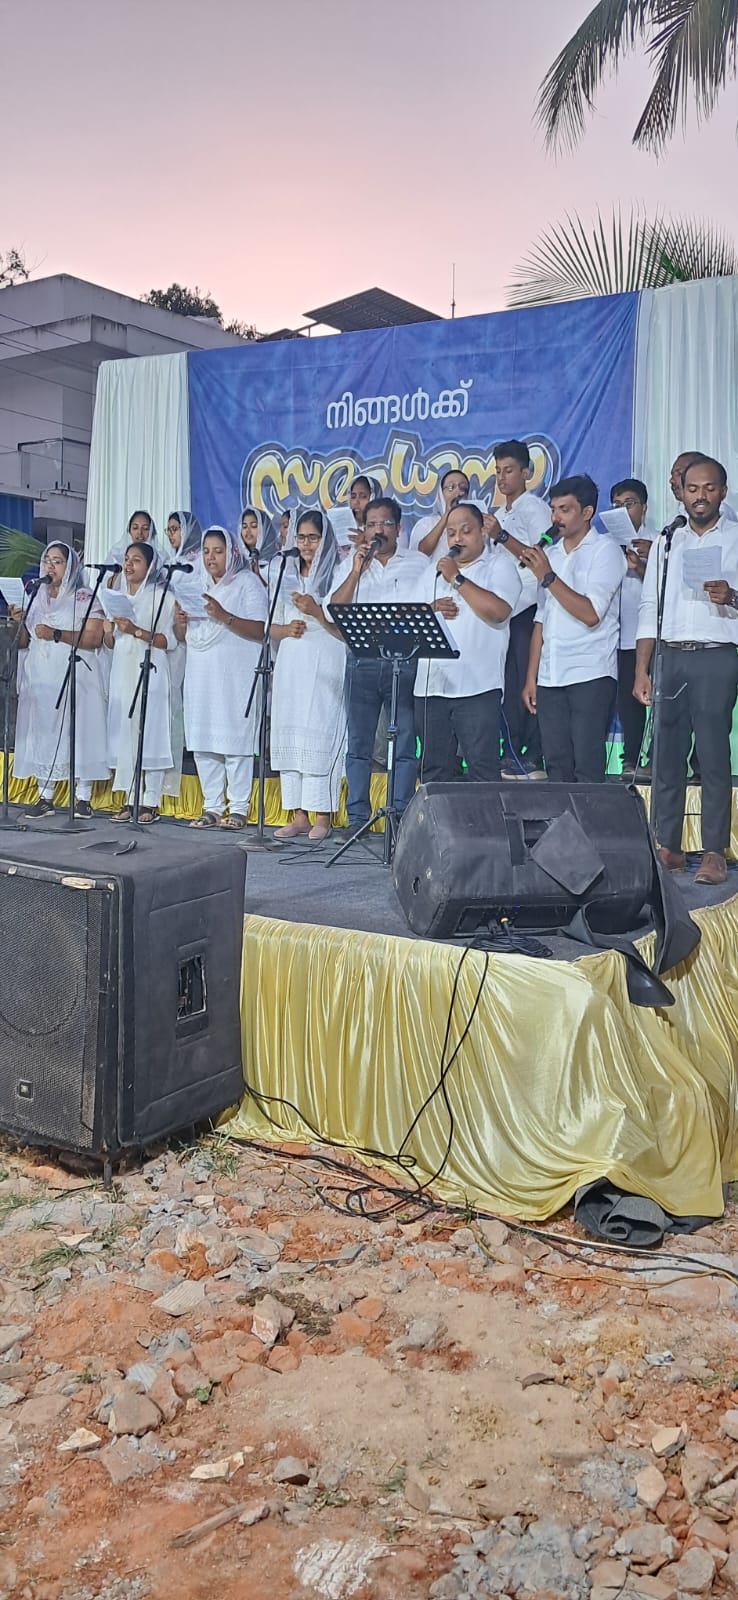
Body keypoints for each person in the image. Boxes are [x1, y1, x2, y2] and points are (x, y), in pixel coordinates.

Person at [635, 454, 738, 886]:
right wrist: (642, 668)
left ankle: (714, 851)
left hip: (717, 654)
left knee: (713, 756)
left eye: (709, 488)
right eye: (693, 488)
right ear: (681, 492)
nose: (701, 496)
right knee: (667, 755)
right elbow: (649, 606)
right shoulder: (667, 540)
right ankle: (669, 846)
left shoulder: (735, 537)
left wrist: (732, 596)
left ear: (723, 492)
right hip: (670, 656)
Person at [328, 497, 429, 830]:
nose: (377, 531)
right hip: (362, 663)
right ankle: (357, 818)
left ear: (398, 528)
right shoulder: (352, 563)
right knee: (359, 744)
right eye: (371, 524)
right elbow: (336, 609)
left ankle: (399, 817)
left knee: (403, 744)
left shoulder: (419, 563)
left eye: (385, 524)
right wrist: (356, 572)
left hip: (404, 664)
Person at [520, 475, 625, 783]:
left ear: (587, 512)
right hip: (550, 676)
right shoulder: (551, 555)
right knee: (556, 765)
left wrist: (548, 577)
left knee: (587, 766)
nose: (555, 518)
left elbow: (591, 614)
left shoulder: (605, 551)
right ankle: (559, 818)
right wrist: (532, 678)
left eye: (564, 510)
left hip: (590, 673)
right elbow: (541, 619)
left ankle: (591, 818)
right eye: (553, 509)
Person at [413, 504, 521, 781]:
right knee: (433, 770)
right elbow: (408, 618)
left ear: (483, 531)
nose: (457, 539)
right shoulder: (432, 572)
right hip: (432, 688)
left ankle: (484, 814)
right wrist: (431, 608)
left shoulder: (500, 566)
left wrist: (457, 579)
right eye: (451, 533)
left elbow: (498, 612)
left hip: (478, 688)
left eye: (465, 531)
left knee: (481, 769)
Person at [177, 526, 267, 829]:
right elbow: (184, 636)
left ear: (232, 552)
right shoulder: (195, 585)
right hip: (201, 675)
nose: (211, 557)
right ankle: (212, 806)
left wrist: (223, 615)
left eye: (218, 551)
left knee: (234, 741)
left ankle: (239, 808)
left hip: (234, 676)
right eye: (206, 551)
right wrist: (180, 622)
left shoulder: (247, 583)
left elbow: (260, 630)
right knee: (204, 741)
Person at [12, 543, 109, 819]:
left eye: (57, 561)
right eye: (47, 561)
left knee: (79, 730)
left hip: (75, 675)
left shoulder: (84, 597)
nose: (50, 566)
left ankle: (83, 798)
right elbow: (24, 642)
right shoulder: (35, 597)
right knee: (43, 731)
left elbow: (94, 638)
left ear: (70, 567)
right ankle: (46, 796)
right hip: (40, 678)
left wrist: (56, 633)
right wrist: (19, 622)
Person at [270, 509, 346, 841]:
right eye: (300, 537)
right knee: (292, 736)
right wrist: (286, 629)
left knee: (320, 732)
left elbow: (344, 630)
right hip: (292, 663)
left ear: (325, 539)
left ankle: (323, 816)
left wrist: (315, 610)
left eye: (313, 537)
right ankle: (298, 815)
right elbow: (269, 625)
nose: (305, 544)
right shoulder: (284, 573)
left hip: (325, 658)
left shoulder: (339, 573)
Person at [487, 440, 551, 779]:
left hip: (529, 606)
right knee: (508, 685)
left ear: (526, 472)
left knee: (528, 681)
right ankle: (511, 749)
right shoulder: (498, 515)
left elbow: (540, 555)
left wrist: (501, 536)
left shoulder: (533, 508)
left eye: (509, 470)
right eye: (498, 471)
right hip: (505, 610)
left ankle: (534, 753)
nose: (502, 477)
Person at [103, 542, 177, 823]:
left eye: (136, 560)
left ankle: (150, 801)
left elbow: (168, 640)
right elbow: (110, 643)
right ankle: (130, 797)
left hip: (151, 669)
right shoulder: (117, 598)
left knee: (150, 730)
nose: (129, 565)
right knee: (125, 731)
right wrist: (109, 630)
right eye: (126, 559)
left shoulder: (162, 597)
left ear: (150, 566)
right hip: (122, 669)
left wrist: (135, 630)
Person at [610, 478, 653, 778]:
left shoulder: (659, 541)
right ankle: (631, 758)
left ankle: (656, 757)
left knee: (655, 700)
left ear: (644, 508)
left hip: (648, 634)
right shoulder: (604, 544)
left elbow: (669, 587)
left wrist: (640, 566)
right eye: (616, 505)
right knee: (626, 702)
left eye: (629, 504)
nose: (623, 511)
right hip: (615, 636)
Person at [408, 468, 471, 555]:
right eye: (451, 487)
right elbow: (419, 554)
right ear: (441, 493)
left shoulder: (475, 525)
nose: (458, 492)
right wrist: (446, 515)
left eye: (463, 488)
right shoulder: (426, 524)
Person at [239, 507, 279, 583]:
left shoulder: (278, 563)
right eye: (244, 527)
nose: (248, 531)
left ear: (264, 529)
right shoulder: (239, 565)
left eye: (254, 526)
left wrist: (258, 576)